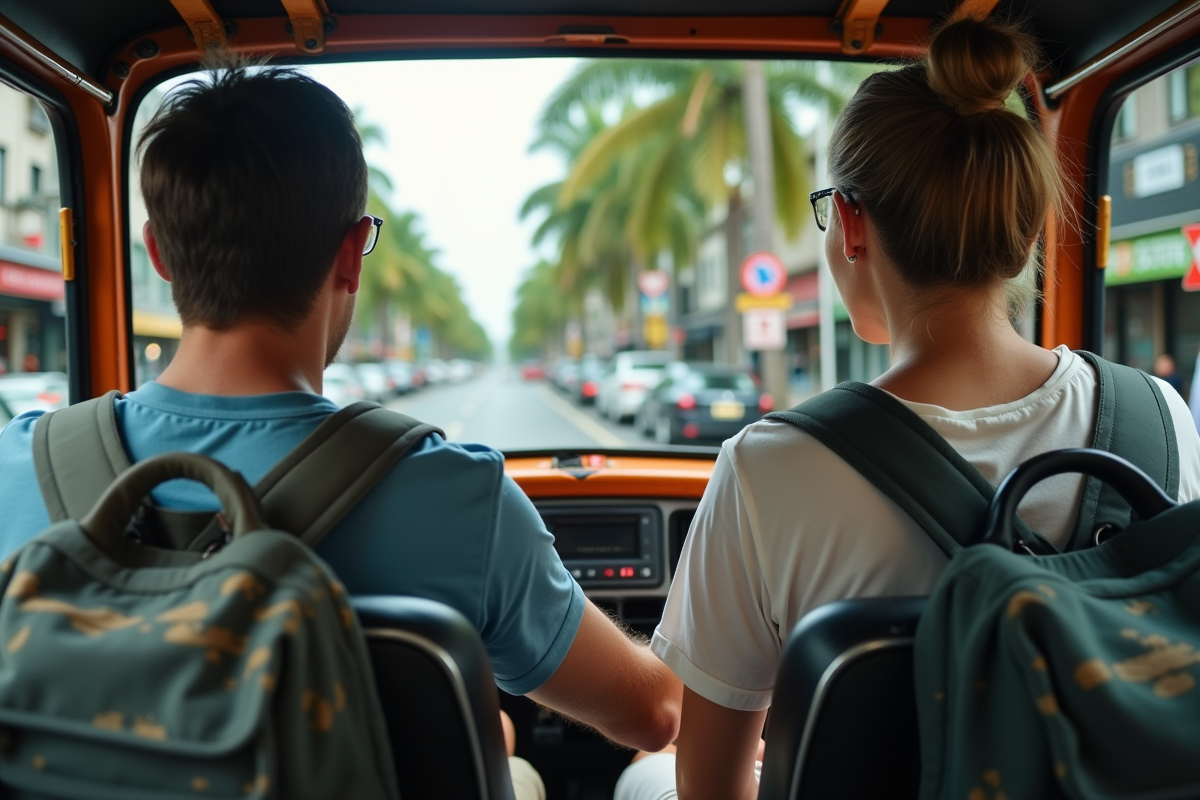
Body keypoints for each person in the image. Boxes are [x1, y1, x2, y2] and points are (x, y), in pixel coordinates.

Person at [0, 60, 681, 799]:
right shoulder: (456, 496)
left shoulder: (18, 469)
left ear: (158, 252)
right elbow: (652, 715)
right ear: (353, 253)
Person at [616, 14, 1200, 800]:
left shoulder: (767, 469)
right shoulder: (1160, 419)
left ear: (850, 225)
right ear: (1028, 226)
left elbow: (711, 785)